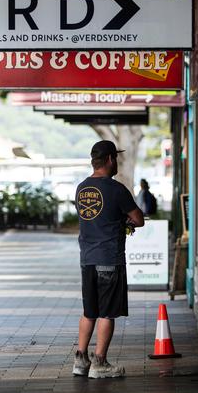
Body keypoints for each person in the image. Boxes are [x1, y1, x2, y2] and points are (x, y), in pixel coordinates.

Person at [72, 140, 144, 379]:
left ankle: (80, 360)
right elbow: (138, 218)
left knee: (89, 311)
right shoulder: (116, 189)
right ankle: (100, 362)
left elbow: (96, 218)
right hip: (109, 258)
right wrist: (125, 222)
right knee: (107, 313)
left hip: (87, 258)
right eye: (117, 159)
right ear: (111, 159)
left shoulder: (81, 188)